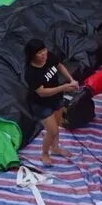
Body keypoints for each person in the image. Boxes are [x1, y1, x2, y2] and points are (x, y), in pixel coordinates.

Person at [24, 38, 80, 166]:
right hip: (41, 104)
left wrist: (71, 80)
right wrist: (64, 87)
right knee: (52, 130)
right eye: (40, 53)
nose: (44, 55)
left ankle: (55, 148)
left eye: (44, 51)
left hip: (56, 98)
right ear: (32, 56)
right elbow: (42, 92)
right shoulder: (30, 73)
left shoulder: (49, 57)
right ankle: (44, 153)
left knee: (57, 123)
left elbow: (59, 65)